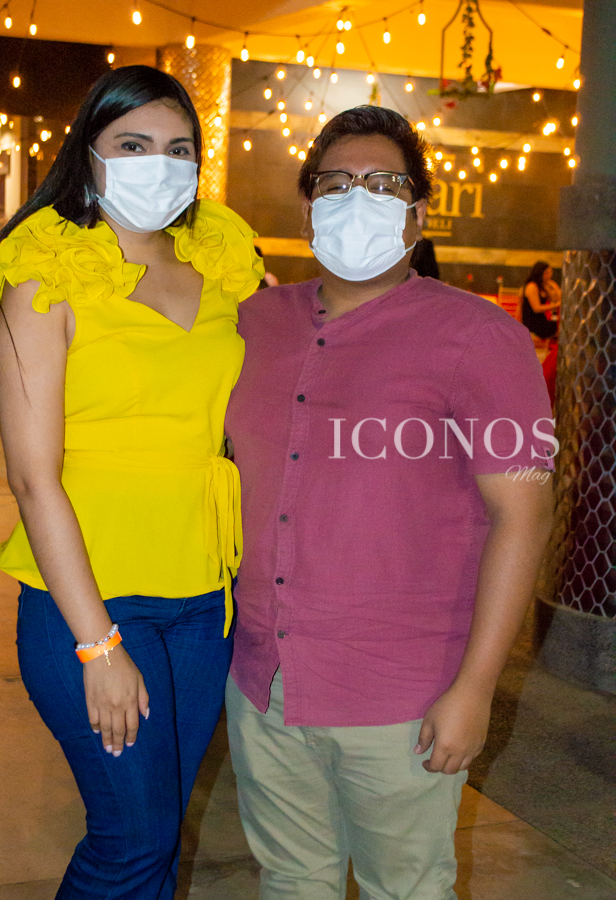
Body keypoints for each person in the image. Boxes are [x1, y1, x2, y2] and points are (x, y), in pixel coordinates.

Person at [224, 106, 556, 900]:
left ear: (418, 212)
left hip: (401, 692)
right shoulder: (254, 323)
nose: (357, 199)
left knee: (402, 888)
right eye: (336, 184)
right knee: (289, 880)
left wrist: (475, 688)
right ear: (307, 208)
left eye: (383, 184)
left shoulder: (478, 336)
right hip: (265, 679)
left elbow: (523, 515)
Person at [0, 65, 262, 899]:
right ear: (87, 153)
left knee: (157, 839)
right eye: (133, 144)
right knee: (130, 841)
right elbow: (32, 478)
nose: (158, 164)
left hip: (203, 598)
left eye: (179, 148)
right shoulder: (49, 274)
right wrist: (98, 645)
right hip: (91, 600)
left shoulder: (218, 266)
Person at [521, 260, 561, 339]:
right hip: (533, 323)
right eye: (547, 273)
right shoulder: (532, 286)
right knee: (560, 326)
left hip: (541, 320)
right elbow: (537, 309)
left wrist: (554, 287)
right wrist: (555, 305)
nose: (550, 275)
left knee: (561, 323)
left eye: (551, 272)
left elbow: (558, 298)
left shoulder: (542, 285)